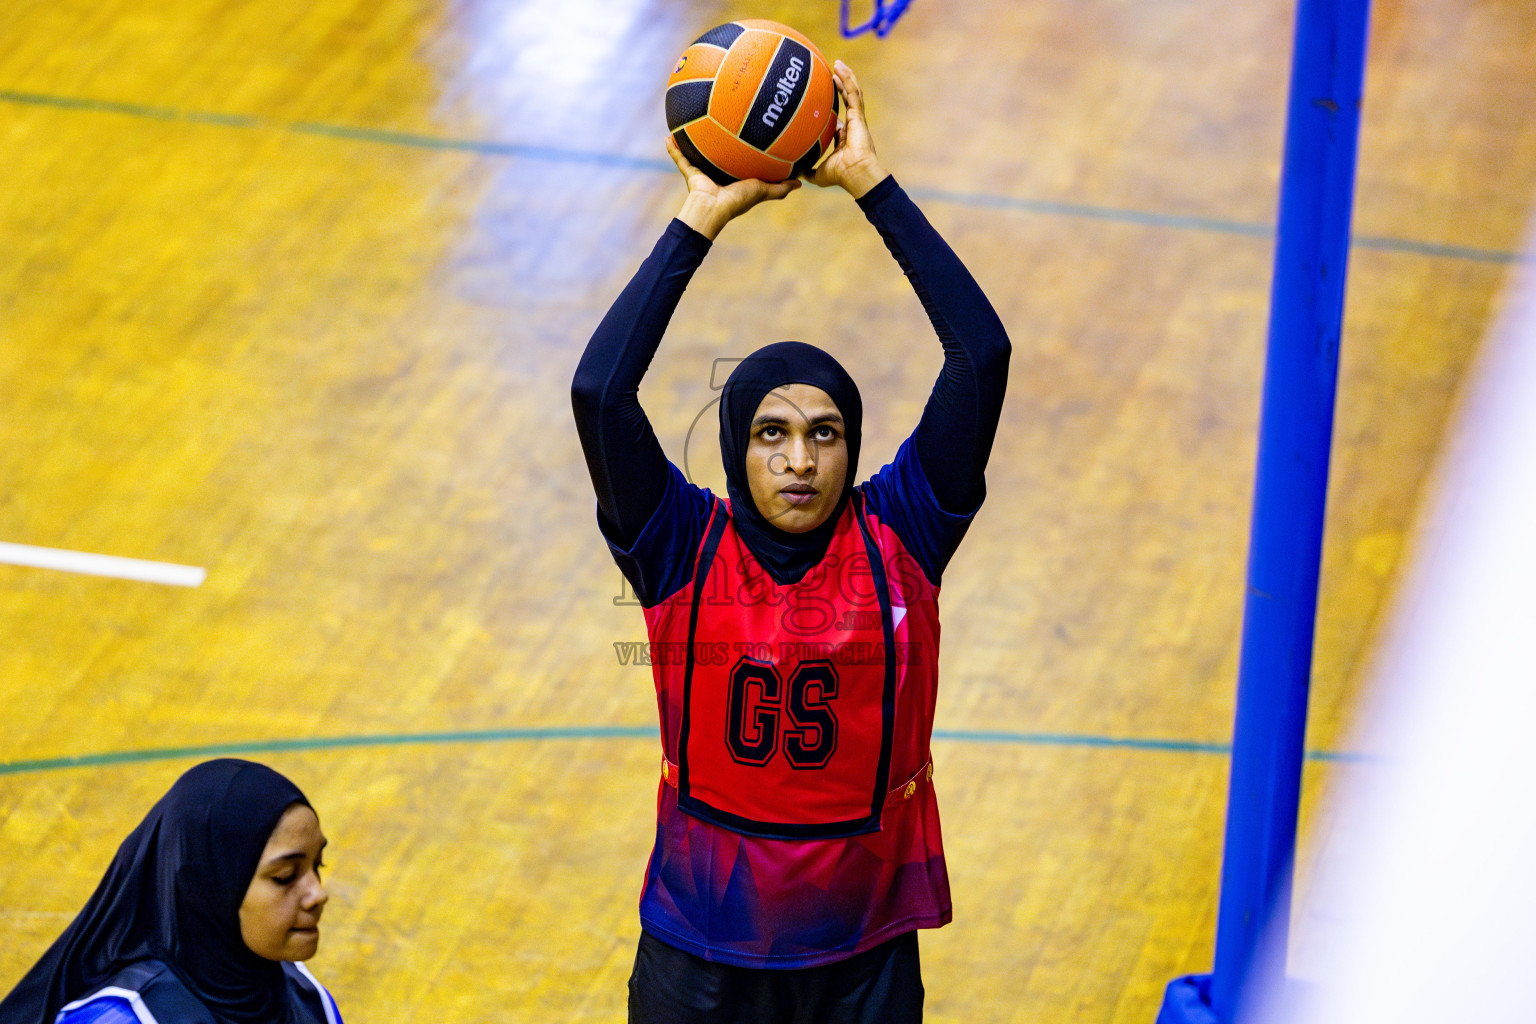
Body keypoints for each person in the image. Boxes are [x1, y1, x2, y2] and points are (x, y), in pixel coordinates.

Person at [573, 58, 1010, 1024]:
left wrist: (868, 181)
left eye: (825, 433)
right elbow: (602, 393)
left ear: (855, 448)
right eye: (770, 433)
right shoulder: (678, 546)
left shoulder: (904, 532)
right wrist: (702, 214)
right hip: (700, 953)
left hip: (862, 955)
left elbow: (982, 355)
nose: (800, 459)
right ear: (736, 449)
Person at [0, 758, 342, 1024]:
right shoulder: (125, 1018)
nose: (318, 894)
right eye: (284, 876)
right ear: (208, 889)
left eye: (318, 865)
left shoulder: (309, 1001)